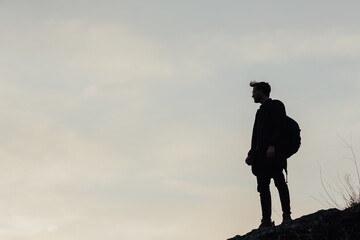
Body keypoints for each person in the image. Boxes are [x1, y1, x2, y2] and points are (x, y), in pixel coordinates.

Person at [245, 81, 292, 228]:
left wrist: (272, 145)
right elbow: (256, 136)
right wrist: (251, 154)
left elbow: (279, 127)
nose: (252, 94)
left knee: (280, 183)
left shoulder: (276, 105)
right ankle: (266, 220)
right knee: (263, 189)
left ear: (261, 91)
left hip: (274, 155)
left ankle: (286, 215)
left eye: (254, 91)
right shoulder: (259, 112)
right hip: (261, 159)